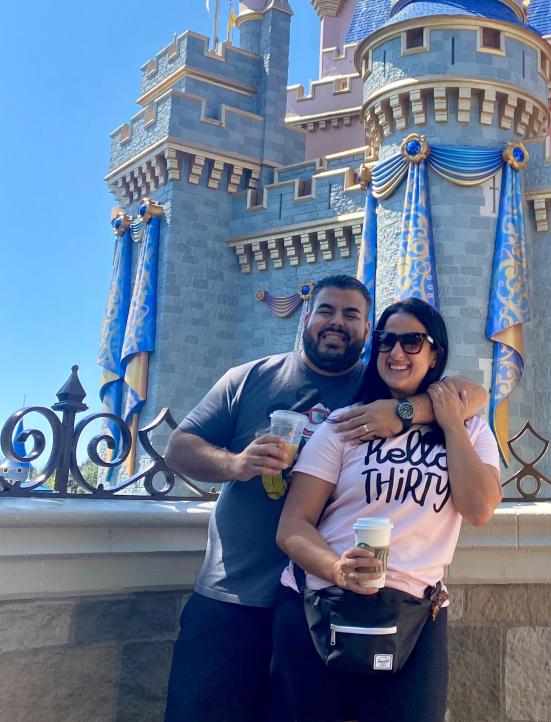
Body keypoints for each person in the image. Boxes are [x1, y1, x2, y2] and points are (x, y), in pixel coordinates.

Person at [162, 276, 487, 722]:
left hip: (327, 604)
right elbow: (179, 447)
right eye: (326, 311)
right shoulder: (253, 378)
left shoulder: (376, 393)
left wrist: (404, 412)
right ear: (306, 317)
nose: (337, 323)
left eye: (351, 315)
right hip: (234, 590)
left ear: (365, 330)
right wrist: (236, 465)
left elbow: (472, 394)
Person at [271, 298, 502, 722]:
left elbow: (480, 508)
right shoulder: (346, 424)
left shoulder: (470, 426)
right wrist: (338, 568)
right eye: (386, 341)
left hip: (414, 614)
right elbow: (292, 525)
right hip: (322, 606)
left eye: (413, 341)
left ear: (435, 353)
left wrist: (446, 421)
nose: (397, 353)